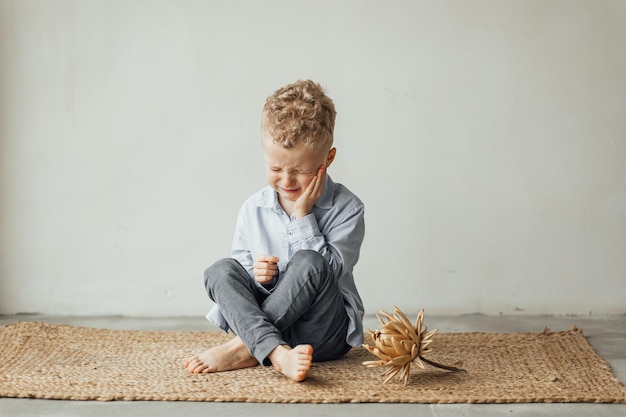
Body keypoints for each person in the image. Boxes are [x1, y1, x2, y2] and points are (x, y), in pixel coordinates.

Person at [183, 80, 365, 382]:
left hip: (321, 332)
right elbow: (239, 277)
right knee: (220, 271)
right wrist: (258, 276)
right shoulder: (253, 208)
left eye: (301, 170)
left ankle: (245, 347)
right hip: (269, 323)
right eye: (275, 168)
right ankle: (276, 352)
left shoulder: (348, 209)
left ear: (327, 159)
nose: (287, 181)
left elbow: (328, 273)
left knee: (310, 262)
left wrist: (303, 215)